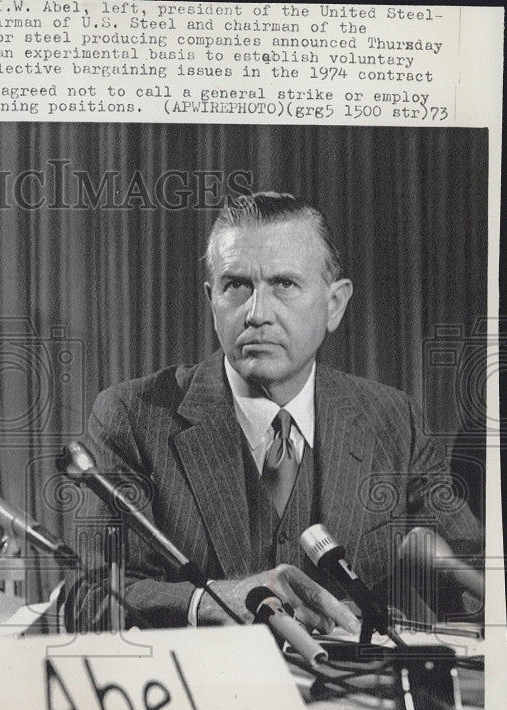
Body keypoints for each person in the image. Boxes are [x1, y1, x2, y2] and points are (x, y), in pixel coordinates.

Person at [67, 192, 482, 633]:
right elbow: (91, 597)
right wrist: (222, 600)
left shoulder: (392, 420)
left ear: (334, 304)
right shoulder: (133, 416)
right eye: (236, 286)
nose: (256, 313)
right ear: (212, 299)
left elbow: (471, 577)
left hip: (358, 694)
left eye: (284, 284)